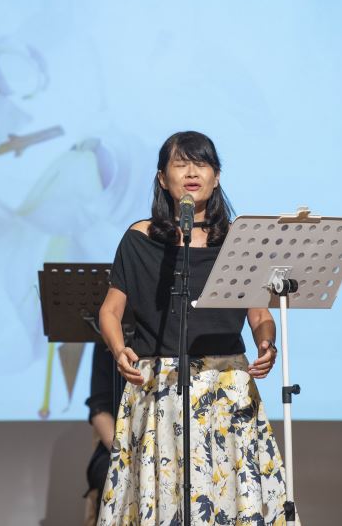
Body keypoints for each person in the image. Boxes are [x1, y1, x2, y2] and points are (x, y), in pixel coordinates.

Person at [97, 131, 294, 525]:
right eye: (180, 164)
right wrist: (119, 350)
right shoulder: (139, 239)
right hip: (161, 384)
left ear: (216, 177)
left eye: (201, 164)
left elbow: (260, 315)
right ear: (162, 178)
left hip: (226, 386)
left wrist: (267, 344)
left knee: (229, 496)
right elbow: (110, 311)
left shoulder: (239, 240)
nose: (191, 172)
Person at [84, 342, 125, 524]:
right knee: (112, 476)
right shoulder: (109, 342)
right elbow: (99, 408)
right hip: (118, 445)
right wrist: (123, 454)